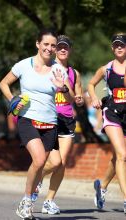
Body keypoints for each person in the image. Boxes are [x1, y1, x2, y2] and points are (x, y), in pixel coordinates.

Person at [0, 28, 75, 220]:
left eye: (53, 45)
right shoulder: (24, 65)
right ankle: (26, 201)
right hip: (27, 119)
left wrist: (63, 87)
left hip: (50, 122)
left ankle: (29, 200)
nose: (49, 48)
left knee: (47, 164)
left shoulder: (59, 69)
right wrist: (13, 99)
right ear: (38, 44)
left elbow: (71, 99)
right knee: (40, 160)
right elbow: (4, 83)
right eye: (46, 44)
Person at [31, 35, 84, 214]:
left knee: (61, 163)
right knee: (54, 162)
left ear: (69, 50)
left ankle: (49, 201)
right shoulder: (47, 68)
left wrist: (79, 99)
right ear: (54, 50)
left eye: (65, 47)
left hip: (67, 120)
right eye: (59, 47)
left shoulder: (74, 73)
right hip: (50, 119)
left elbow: (78, 97)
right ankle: (38, 178)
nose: (62, 50)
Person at [88, 32, 126, 214]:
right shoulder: (106, 69)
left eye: (123, 45)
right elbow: (90, 85)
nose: (119, 47)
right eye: (116, 45)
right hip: (112, 112)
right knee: (123, 155)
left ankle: (101, 187)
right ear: (112, 48)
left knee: (118, 156)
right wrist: (94, 97)